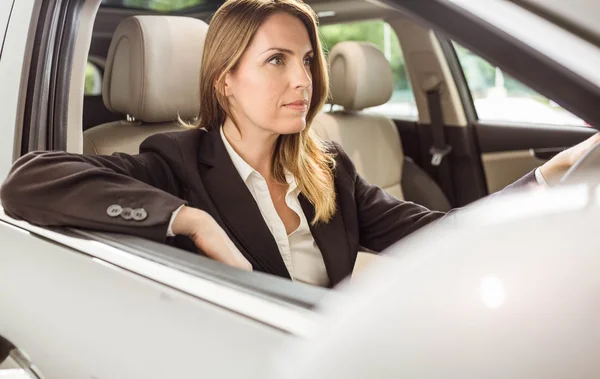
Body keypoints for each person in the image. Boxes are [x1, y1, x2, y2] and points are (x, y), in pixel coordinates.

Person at [0, 0, 598, 288]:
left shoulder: (328, 170)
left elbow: (441, 236)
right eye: (277, 61)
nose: (302, 80)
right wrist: (191, 222)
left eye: (307, 61)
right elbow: (27, 179)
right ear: (225, 81)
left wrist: (552, 177)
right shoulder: (173, 160)